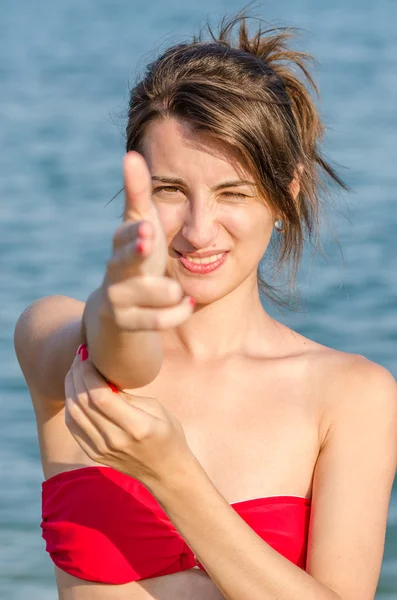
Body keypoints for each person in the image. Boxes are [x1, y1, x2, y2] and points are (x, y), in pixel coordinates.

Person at [14, 11, 397, 600]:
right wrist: (122, 297)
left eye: (232, 193)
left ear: (284, 194)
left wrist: (173, 476)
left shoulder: (352, 394)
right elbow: (123, 358)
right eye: (170, 190)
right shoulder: (57, 339)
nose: (197, 230)